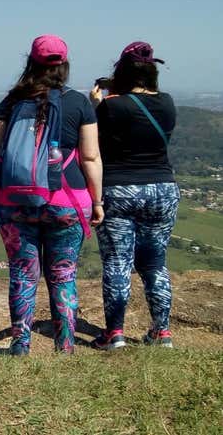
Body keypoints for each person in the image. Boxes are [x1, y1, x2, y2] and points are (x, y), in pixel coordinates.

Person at [0, 35, 103, 355]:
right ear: (64, 66)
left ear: (30, 63)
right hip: (67, 202)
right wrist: (98, 201)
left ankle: (20, 347)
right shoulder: (79, 103)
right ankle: (65, 349)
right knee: (63, 276)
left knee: (23, 274)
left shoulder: (12, 102)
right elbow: (90, 158)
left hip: (14, 201)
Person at [89, 41, 179, 349]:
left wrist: (96, 105)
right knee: (155, 262)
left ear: (122, 72)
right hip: (163, 188)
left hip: (120, 189)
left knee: (117, 262)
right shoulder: (168, 103)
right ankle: (162, 332)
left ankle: (114, 333)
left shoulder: (111, 106)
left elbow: (93, 145)